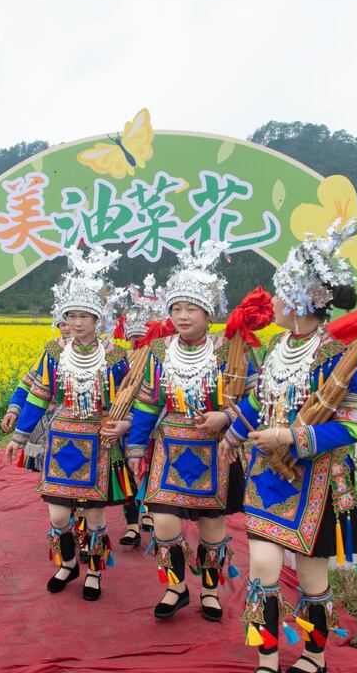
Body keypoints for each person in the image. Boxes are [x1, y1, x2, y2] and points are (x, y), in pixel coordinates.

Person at [221, 206, 357, 673]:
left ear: (301, 299)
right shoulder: (277, 347)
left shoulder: (339, 355)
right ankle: (267, 659)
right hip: (267, 478)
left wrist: (290, 435)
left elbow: (351, 426)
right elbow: (260, 400)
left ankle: (314, 655)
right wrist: (234, 432)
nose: (273, 301)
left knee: (312, 579)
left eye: (280, 293)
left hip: (318, 480)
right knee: (262, 570)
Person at [105, 241, 253, 623]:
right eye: (176, 309)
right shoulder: (158, 351)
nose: (182, 316)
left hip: (215, 451)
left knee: (211, 528)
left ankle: (209, 591)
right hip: (168, 449)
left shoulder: (230, 351)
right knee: (165, 523)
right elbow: (147, 403)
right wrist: (136, 447)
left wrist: (227, 417)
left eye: (191, 309)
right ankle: (176, 587)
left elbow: (257, 399)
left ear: (208, 312)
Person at [4, 246, 130, 601]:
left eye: (84, 316)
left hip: (99, 441)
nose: (76, 322)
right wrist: (20, 436)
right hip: (61, 440)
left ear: (97, 319)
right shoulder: (54, 352)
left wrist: (125, 425)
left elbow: (129, 401)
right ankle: (68, 563)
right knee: (59, 516)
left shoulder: (116, 357)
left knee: (94, 515)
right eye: (71, 315)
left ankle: (94, 571)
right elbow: (38, 395)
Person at [111, 275, 165, 548]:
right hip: (123, 425)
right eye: (133, 338)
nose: (137, 343)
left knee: (152, 472)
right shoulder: (123, 359)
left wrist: (135, 422)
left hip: (151, 427)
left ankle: (152, 518)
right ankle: (132, 524)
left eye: (141, 338)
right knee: (126, 474)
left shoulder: (160, 359)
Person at [1, 316, 71, 472]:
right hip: (54, 412)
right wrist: (14, 409)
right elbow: (30, 383)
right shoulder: (53, 350)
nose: (68, 328)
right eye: (63, 324)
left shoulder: (105, 351)